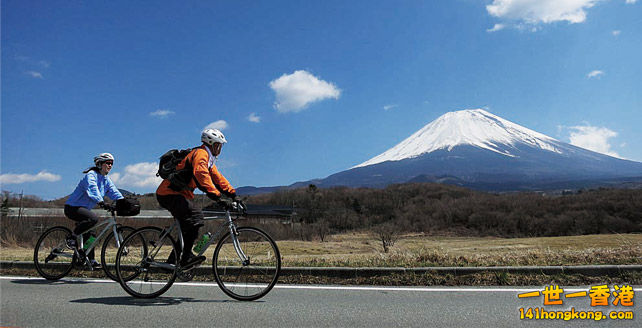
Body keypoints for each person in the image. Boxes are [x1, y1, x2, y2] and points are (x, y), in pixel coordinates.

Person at [156, 128, 240, 268]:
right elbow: (202, 178)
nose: (220, 148)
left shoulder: (208, 159)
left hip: (180, 195)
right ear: (211, 144)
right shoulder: (201, 154)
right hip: (169, 194)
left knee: (187, 228)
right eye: (218, 145)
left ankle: (173, 262)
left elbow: (218, 179)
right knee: (196, 217)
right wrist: (219, 198)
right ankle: (186, 259)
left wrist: (234, 195)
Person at [65, 153, 124, 268]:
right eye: (108, 163)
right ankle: (71, 237)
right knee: (93, 218)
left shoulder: (105, 179)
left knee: (92, 234)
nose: (110, 165)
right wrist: (101, 202)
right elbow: (92, 189)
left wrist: (123, 201)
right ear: (100, 164)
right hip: (72, 207)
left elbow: (114, 191)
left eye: (112, 163)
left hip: (84, 209)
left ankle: (87, 259)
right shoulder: (91, 175)